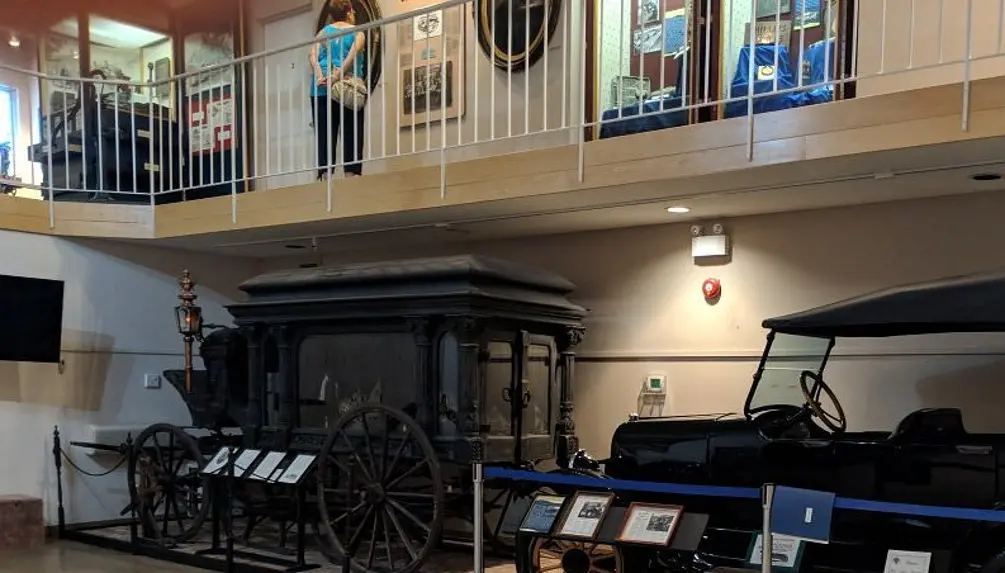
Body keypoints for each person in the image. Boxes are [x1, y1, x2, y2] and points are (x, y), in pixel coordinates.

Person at [309, 0, 367, 179]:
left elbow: (312, 55)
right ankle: (352, 175)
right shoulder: (357, 33)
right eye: (353, 11)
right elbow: (352, 55)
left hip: (321, 89)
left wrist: (320, 75)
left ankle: (325, 177)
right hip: (348, 88)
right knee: (352, 133)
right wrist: (337, 76)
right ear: (348, 12)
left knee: (324, 135)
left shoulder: (323, 33)